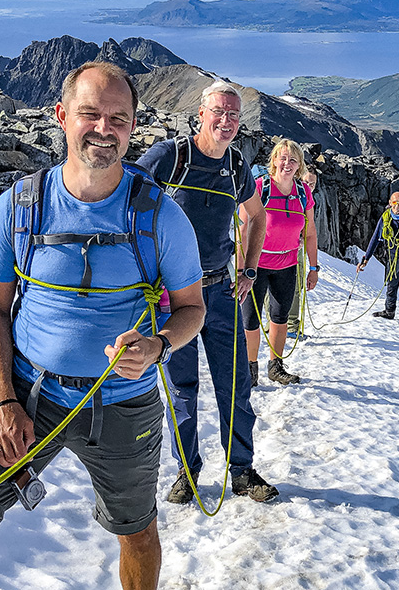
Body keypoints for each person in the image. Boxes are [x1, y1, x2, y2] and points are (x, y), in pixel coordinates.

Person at [0, 62, 207, 590]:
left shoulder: (161, 218)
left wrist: (157, 345)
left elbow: (192, 308)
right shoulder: (18, 208)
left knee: (138, 534)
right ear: (61, 116)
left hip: (125, 406)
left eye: (119, 118)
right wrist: (0, 401)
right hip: (25, 398)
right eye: (90, 114)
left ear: (133, 128)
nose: (104, 129)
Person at [136, 81, 278, 505]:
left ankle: (242, 470)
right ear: (201, 113)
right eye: (219, 112)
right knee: (182, 388)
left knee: (233, 385)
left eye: (234, 115)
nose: (227, 121)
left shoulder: (236, 166)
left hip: (219, 292)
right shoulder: (169, 158)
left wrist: (249, 269)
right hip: (173, 298)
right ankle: (188, 470)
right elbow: (126, 202)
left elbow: (258, 216)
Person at [239, 138, 317, 387]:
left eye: (292, 159)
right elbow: (243, 228)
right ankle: (250, 370)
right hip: (256, 265)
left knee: (280, 317)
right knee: (250, 320)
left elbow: (311, 232)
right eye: (282, 158)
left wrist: (313, 268)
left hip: (287, 265)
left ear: (299, 166)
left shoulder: (303, 193)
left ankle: (276, 366)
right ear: (273, 161)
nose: (287, 163)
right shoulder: (260, 187)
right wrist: (242, 268)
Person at [357, 191, 399, 329]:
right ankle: (389, 311)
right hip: (392, 257)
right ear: (390, 203)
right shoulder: (385, 218)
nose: (398, 206)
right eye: (395, 203)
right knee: (391, 286)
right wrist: (366, 258)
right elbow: (375, 239)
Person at [286, 169, 318, 337]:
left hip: (289, 246)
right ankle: (291, 326)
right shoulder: (299, 197)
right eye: (307, 182)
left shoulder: (302, 196)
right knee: (295, 284)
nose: (309, 186)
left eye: (313, 184)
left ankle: (274, 323)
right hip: (293, 247)